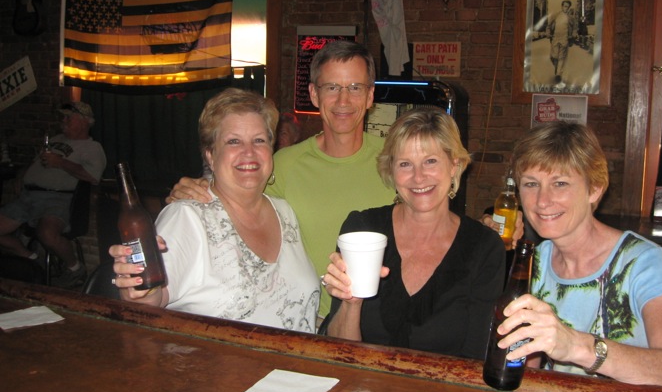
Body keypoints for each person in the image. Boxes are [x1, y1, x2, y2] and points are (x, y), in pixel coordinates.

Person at [167, 41, 522, 319]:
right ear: (314, 94)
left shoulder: (396, 162)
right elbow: (237, 195)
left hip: (380, 319)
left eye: (355, 87)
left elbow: (435, 217)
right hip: (306, 317)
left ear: (370, 96)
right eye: (332, 87)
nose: (343, 100)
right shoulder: (281, 165)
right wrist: (197, 187)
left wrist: (486, 228)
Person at [494, 121, 662, 390]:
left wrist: (577, 346)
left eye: (560, 183)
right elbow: (524, 368)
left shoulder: (642, 261)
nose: (542, 201)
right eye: (531, 184)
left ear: (595, 189)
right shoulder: (534, 261)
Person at [110, 88, 319, 333]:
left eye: (259, 140)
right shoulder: (188, 217)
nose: (249, 152)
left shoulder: (285, 212)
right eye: (233, 141)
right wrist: (137, 288)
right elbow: (152, 301)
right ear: (210, 155)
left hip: (300, 367)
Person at [321, 107, 506, 359]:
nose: (418, 177)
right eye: (405, 164)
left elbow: (478, 355)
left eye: (430, 161)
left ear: (454, 165)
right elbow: (339, 352)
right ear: (392, 171)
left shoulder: (483, 247)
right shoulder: (363, 228)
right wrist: (351, 302)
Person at [0, 101, 106, 288]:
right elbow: (35, 163)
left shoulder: (92, 148)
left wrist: (61, 163)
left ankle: (75, 268)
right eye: (62, 117)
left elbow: (92, 176)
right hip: (28, 197)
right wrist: (22, 176)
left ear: (83, 122)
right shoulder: (56, 139)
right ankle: (33, 260)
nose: (63, 121)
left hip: (58, 198)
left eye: (68, 117)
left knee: (47, 233)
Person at [546, 0, 576, 84]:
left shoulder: (571, 18)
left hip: (565, 39)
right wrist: (548, 33)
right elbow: (548, 26)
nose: (566, 8)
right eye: (565, 6)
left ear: (569, 8)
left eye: (568, 6)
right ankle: (557, 68)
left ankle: (558, 74)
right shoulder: (555, 16)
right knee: (553, 56)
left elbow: (574, 28)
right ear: (562, 6)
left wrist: (573, 35)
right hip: (555, 38)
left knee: (561, 57)